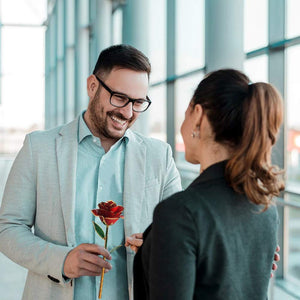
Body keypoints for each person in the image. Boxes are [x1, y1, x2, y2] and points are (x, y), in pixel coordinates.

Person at [0, 44, 182, 300]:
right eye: (120, 98)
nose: (128, 112)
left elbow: (179, 235)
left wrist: (156, 245)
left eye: (138, 102)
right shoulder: (38, 148)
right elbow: (8, 228)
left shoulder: (159, 156)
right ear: (92, 86)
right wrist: (61, 260)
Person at [133, 69, 284, 300]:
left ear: (198, 116)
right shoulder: (265, 207)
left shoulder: (180, 212)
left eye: (185, 114)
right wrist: (159, 244)